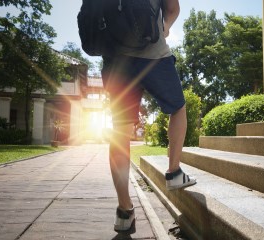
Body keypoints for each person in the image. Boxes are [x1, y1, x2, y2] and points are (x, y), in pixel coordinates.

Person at [101, 0, 196, 232]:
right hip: (155, 55)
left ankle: (124, 211)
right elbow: (172, 8)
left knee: (120, 130)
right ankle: (174, 172)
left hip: (117, 60)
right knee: (178, 108)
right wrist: (164, 27)